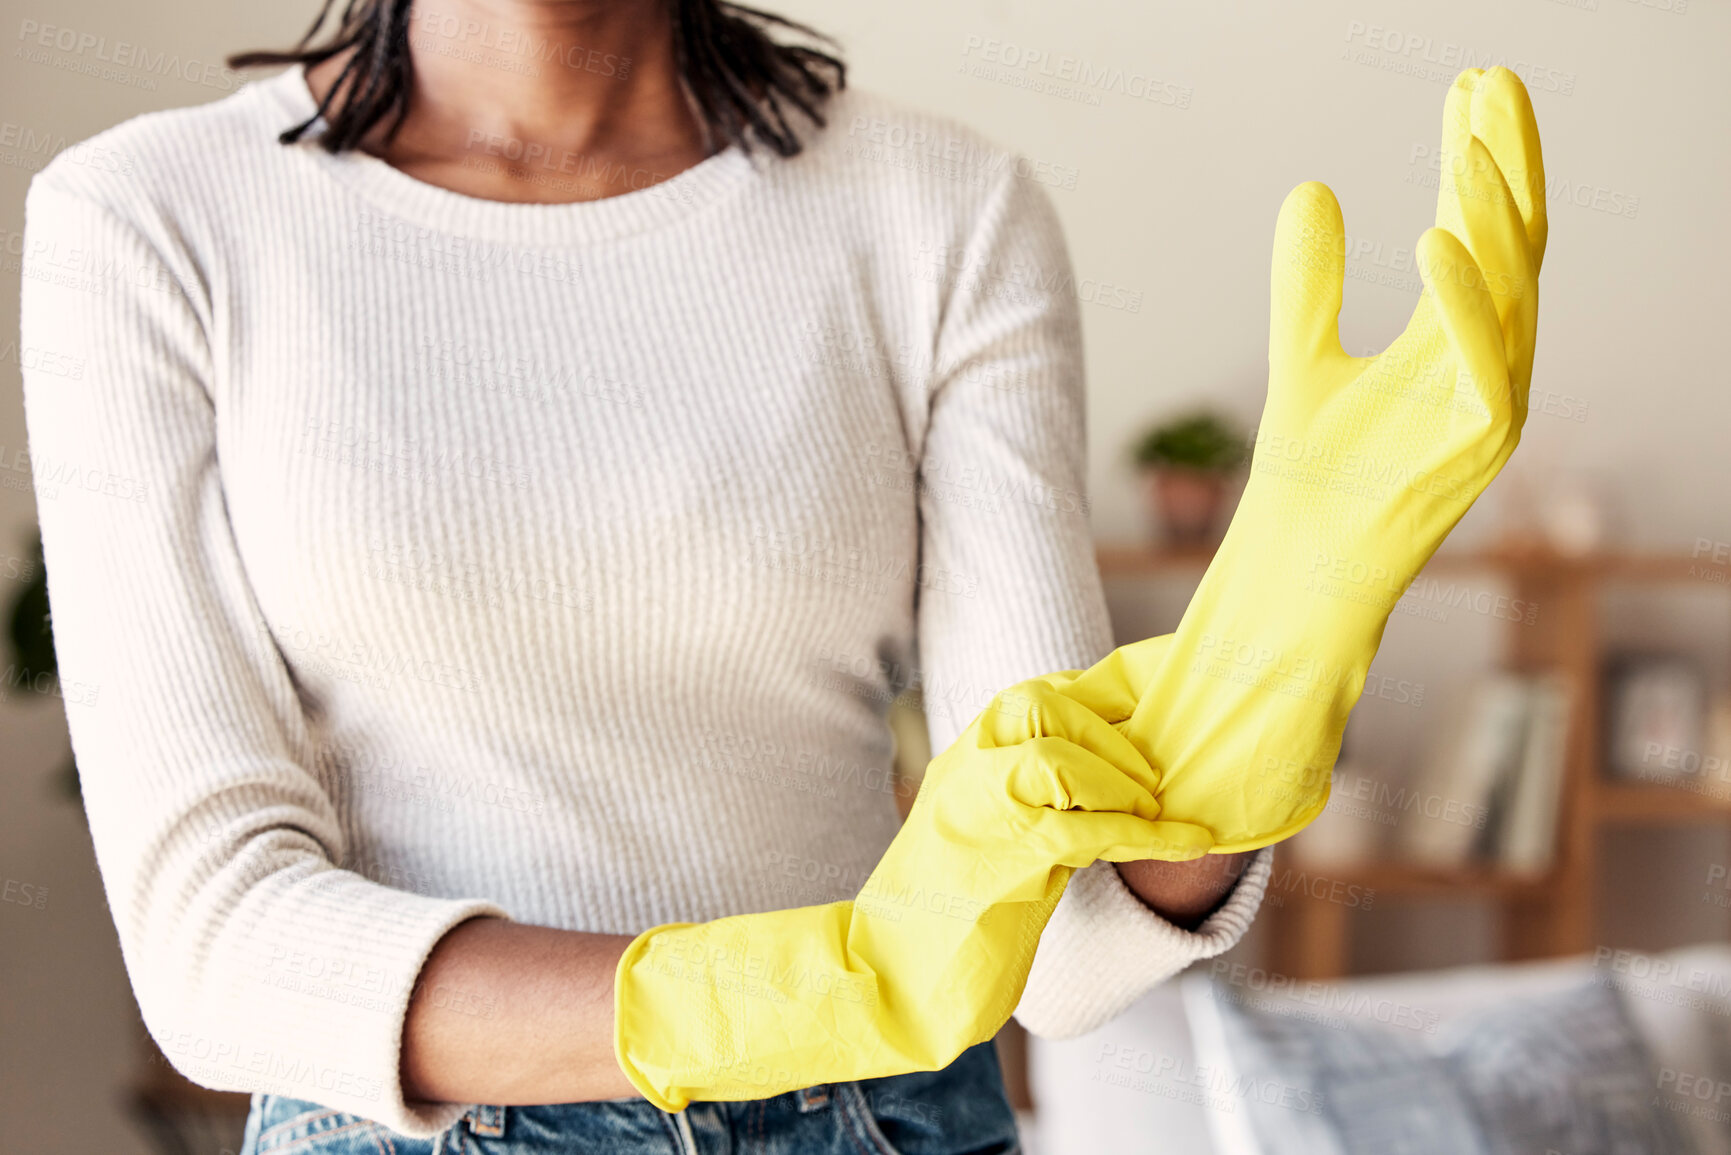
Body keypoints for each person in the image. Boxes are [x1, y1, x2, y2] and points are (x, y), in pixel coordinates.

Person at [18, 1, 1268, 1151]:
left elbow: (1060, 941)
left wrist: (1272, 675)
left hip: (887, 1124)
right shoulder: (153, 219)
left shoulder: (941, 208)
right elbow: (215, 948)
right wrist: (811, 989)